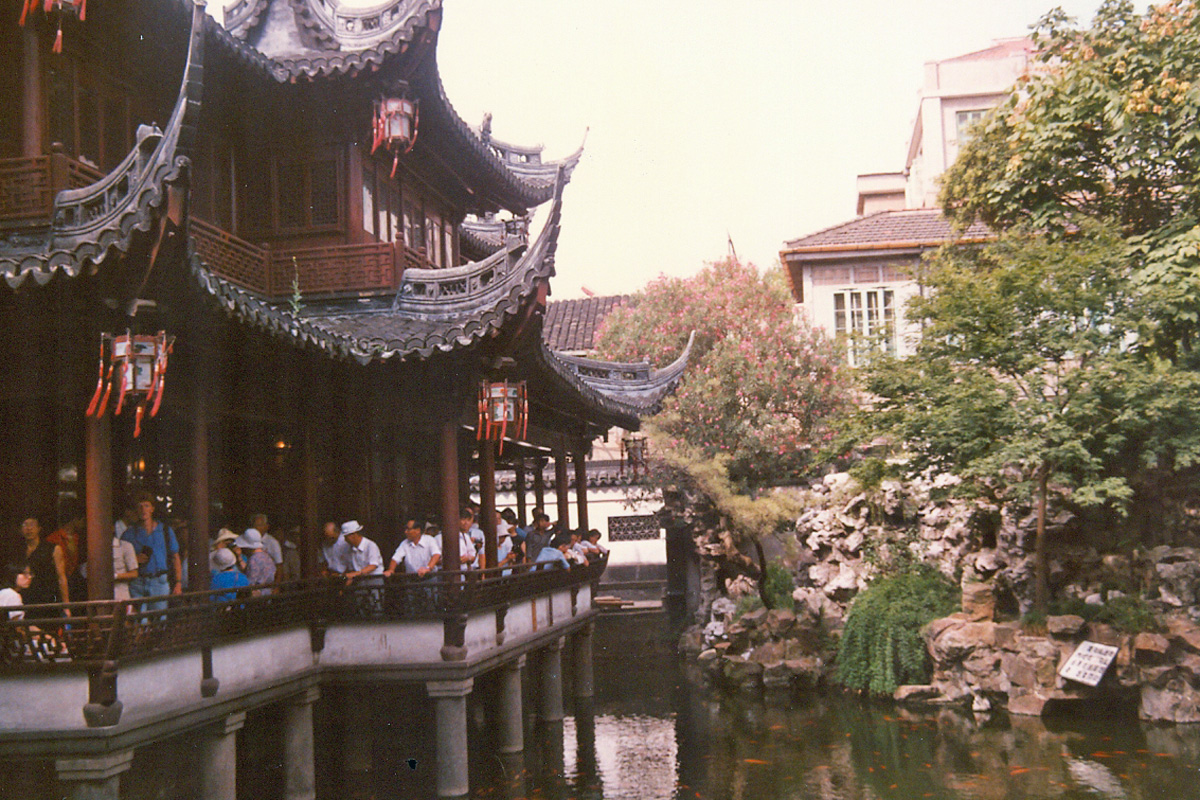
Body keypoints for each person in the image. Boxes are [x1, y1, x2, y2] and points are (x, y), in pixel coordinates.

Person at [120, 494, 183, 612]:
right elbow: (120, 560)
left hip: (159, 581)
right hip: (138, 582)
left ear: (152, 509)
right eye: (140, 506)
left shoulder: (165, 530)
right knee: (139, 620)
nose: (143, 509)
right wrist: (134, 559)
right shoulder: (129, 534)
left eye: (146, 506)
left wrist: (178, 583)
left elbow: (175, 557)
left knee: (159, 618)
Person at [21, 516, 69, 611]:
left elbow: (61, 577)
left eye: (32, 525)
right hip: (25, 599)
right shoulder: (18, 550)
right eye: (25, 525)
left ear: (39, 528)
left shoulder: (52, 549)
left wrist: (66, 605)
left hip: (47, 598)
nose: (29, 528)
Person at [337, 521, 383, 586]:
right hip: (360, 583)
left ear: (353, 535)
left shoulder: (370, 545)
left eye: (346, 537)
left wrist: (355, 574)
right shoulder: (350, 549)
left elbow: (373, 565)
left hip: (374, 582)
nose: (345, 540)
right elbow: (351, 569)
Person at [236, 528, 275, 596]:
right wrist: (239, 557)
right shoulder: (267, 556)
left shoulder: (254, 559)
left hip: (257, 595)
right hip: (268, 593)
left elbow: (250, 582)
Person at [112, 533, 139, 601]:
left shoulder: (126, 546)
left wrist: (115, 576)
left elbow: (134, 573)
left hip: (120, 595)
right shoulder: (93, 547)